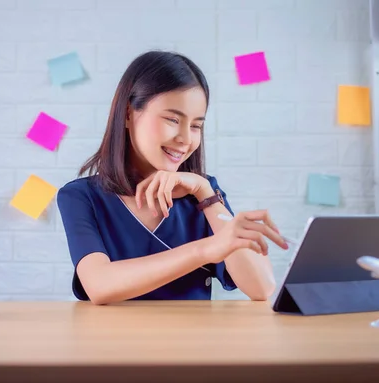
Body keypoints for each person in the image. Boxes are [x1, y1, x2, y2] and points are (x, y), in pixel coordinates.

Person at [57, 50, 289, 305]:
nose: (186, 139)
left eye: (196, 126)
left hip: (193, 343)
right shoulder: (81, 197)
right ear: (127, 114)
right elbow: (99, 285)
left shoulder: (205, 195)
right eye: (172, 119)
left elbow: (261, 288)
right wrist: (205, 250)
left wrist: (205, 192)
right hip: (113, 343)